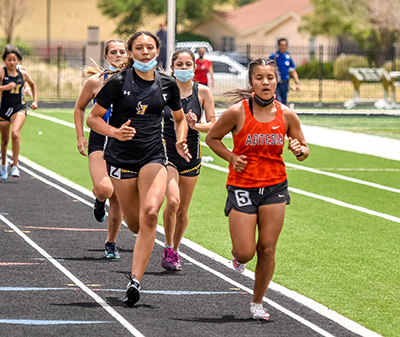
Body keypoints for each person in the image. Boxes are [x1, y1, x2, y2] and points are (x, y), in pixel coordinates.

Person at [86, 31, 191, 307]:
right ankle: (122, 221)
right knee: (134, 223)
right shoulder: (118, 82)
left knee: (151, 213)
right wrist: (114, 132)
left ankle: (135, 281)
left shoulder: (167, 84)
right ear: (131, 53)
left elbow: (180, 120)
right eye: (139, 48)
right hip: (120, 159)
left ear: (157, 51)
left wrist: (180, 140)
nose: (145, 52)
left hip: (153, 156)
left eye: (150, 47)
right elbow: (93, 119)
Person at [205, 58, 309, 320]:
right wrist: (231, 157)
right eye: (260, 78)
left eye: (270, 78)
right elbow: (212, 138)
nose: (265, 82)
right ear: (251, 82)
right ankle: (238, 259)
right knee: (245, 251)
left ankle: (257, 302)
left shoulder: (287, 115)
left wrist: (300, 150)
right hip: (242, 186)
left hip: (275, 186)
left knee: (267, 248)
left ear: (277, 81)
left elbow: (303, 148)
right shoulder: (237, 112)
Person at [161, 48, 216, 271]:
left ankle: (175, 249)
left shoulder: (202, 92)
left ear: (194, 67)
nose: (184, 68)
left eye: (188, 65)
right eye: (179, 64)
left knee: (183, 209)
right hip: (166, 150)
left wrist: (195, 126)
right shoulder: (162, 89)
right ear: (172, 67)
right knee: (172, 201)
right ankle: (167, 245)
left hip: (192, 152)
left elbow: (214, 124)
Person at [74, 38, 127, 259]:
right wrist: (80, 136)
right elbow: (79, 108)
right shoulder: (95, 82)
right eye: (113, 52)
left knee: (119, 199)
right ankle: (99, 199)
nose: (118, 55)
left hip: (125, 144)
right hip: (100, 141)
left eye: (122, 52)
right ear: (106, 56)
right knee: (105, 189)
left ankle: (111, 242)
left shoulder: (135, 81)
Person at [0, 45, 38, 180]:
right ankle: (3, 163)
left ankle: (15, 164)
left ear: (18, 61)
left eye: (14, 60)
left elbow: (33, 84)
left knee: (15, 134)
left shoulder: (23, 73)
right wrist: (5, 87)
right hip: (3, 109)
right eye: (9, 60)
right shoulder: (2, 72)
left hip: (19, 108)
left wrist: (35, 100)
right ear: (4, 60)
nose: (11, 62)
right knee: (4, 141)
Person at [269, 38, 300, 106]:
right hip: (276, 83)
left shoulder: (288, 57)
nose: (283, 47)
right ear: (279, 46)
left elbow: (293, 70)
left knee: (284, 101)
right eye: (282, 45)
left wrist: (297, 82)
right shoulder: (274, 56)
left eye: (285, 45)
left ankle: (283, 115)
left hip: (285, 82)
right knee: (277, 100)